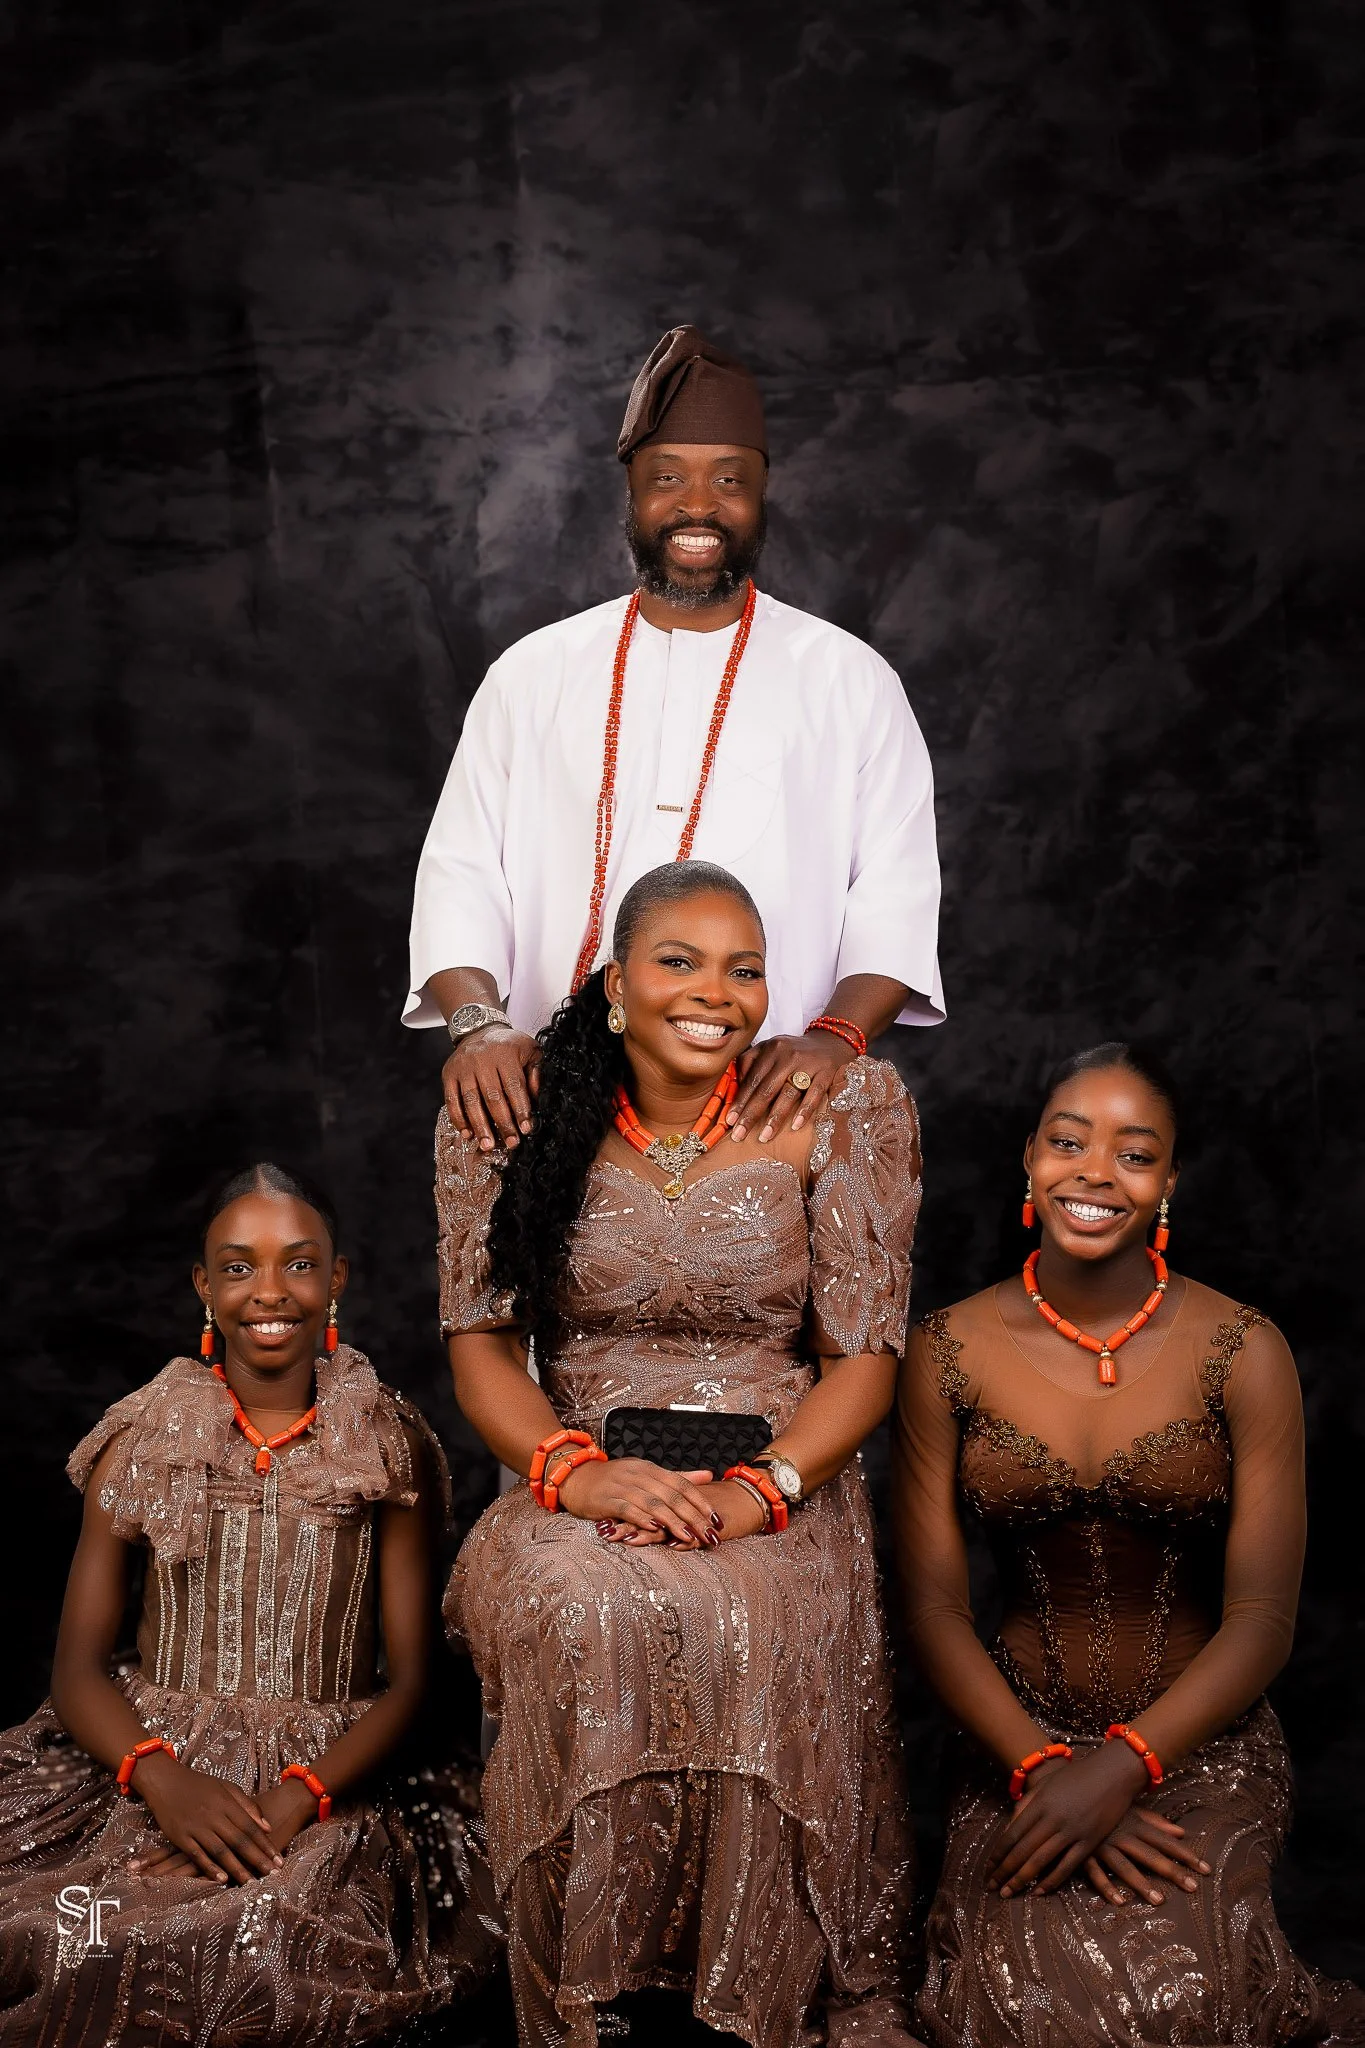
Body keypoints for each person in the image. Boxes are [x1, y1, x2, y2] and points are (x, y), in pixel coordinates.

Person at [436, 861, 922, 2047]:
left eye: (746, 967)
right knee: (576, 1599)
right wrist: (574, 1473)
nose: (718, 992)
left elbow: (864, 1359)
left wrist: (765, 1490)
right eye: (681, 960)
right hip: (581, 1463)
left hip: (784, 1473)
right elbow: (484, 1346)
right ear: (612, 985)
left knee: (742, 1608)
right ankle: (585, 1980)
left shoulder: (845, 1109)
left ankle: (747, 1970)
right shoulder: (512, 1108)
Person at [894, 1044, 1365, 2048]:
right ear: (1029, 1159)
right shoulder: (945, 1348)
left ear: (1168, 1182)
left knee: (1172, 2006)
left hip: (1201, 1744)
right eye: (1068, 1141)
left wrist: (1122, 1763)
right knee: (1009, 2013)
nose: (1095, 1170)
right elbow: (933, 1606)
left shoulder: (1245, 1347)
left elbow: (1265, 1618)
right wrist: (1041, 1765)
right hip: (1011, 1740)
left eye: (1134, 1151)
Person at [407, 322, 943, 1163]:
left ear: (763, 496)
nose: (698, 506)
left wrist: (835, 1038)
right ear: (630, 495)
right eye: (669, 480)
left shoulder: (848, 677)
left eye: (729, 480)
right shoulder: (533, 671)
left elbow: (896, 888)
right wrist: (477, 1026)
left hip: (771, 1123)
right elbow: (462, 869)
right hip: (555, 1099)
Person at [0, 1163, 492, 2044]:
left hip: (328, 1771)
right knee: (78, 1937)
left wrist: (297, 1799)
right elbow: (76, 1671)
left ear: (337, 1278)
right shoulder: (141, 1443)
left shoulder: (387, 1445)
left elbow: (414, 1685)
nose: (270, 1291)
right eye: (237, 1266)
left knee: (262, 1949)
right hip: (153, 1757)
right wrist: (163, 1779)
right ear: (203, 1285)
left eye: (299, 1264)